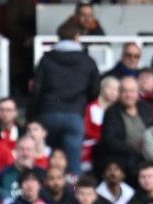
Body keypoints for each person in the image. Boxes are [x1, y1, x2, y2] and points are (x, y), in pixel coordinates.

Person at [28, 23, 100, 176]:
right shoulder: (87, 60)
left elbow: (36, 90)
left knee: (46, 161)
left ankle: (45, 188)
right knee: (73, 167)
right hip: (74, 115)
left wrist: (32, 116)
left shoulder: (46, 59)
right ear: (77, 37)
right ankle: (74, 191)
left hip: (47, 114)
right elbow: (95, 90)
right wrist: (81, 102)